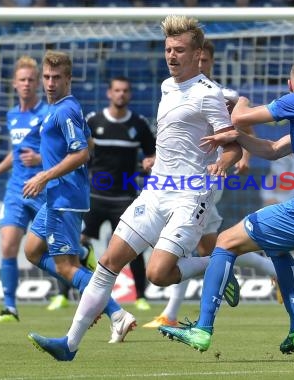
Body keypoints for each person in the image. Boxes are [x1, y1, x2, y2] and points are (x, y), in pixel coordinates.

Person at [27, 15, 243, 361]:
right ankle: (69, 344)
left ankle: (215, 263)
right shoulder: (166, 86)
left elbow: (234, 146)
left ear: (197, 52)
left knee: (159, 274)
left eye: (179, 50)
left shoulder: (210, 95)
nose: (171, 56)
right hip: (156, 191)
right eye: (168, 49)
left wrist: (223, 161)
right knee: (109, 260)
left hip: (190, 195)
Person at [159, 56, 294, 354]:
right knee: (277, 248)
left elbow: (241, 115)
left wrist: (239, 99)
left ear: (290, 86)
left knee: (225, 241)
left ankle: (202, 329)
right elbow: (274, 150)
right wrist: (238, 138)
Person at [142, 38, 279, 329]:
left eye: (204, 62)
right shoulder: (178, 89)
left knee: (179, 245)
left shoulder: (219, 94)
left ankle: (171, 312)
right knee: (210, 249)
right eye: (198, 61)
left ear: (209, 62)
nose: (200, 66)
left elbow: (244, 126)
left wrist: (243, 159)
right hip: (185, 180)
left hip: (206, 180)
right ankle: (268, 266)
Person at [23, 50, 137, 345]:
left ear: (69, 79)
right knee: (33, 250)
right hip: (57, 195)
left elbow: (82, 153)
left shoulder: (64, 110)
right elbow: (89, 141)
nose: (50, 83)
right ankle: (91, 279)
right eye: (47, 77)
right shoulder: (65, 107)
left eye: (57, 78)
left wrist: (45, 174)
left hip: (65, 197)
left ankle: (116, 312)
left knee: (65, 267)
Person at [47, 76, 156, 312]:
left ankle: (141, 297)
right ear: (109, 93)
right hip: (94, 196)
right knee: (74, 243)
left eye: (125, 91)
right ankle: (63, 295)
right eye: (117, 90)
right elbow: (75, 151)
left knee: (133, 247)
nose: (121, 94)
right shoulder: (93, 121)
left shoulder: (139, 124)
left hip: (125, 198)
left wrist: (150, 161)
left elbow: (153, 154)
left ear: (130, 95)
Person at [0, 55, 48, 322]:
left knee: (52, 249)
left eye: (31, 80)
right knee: (7, 247)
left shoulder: (47, 113)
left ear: (38, 83)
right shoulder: (12, 115)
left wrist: (40, 160)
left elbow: (63, 152)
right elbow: (15, 154)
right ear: (14, 84)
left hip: (41, 188)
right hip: (16, 188)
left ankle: (85, 271)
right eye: (22, 80)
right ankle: (10, 308)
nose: (26, 84)